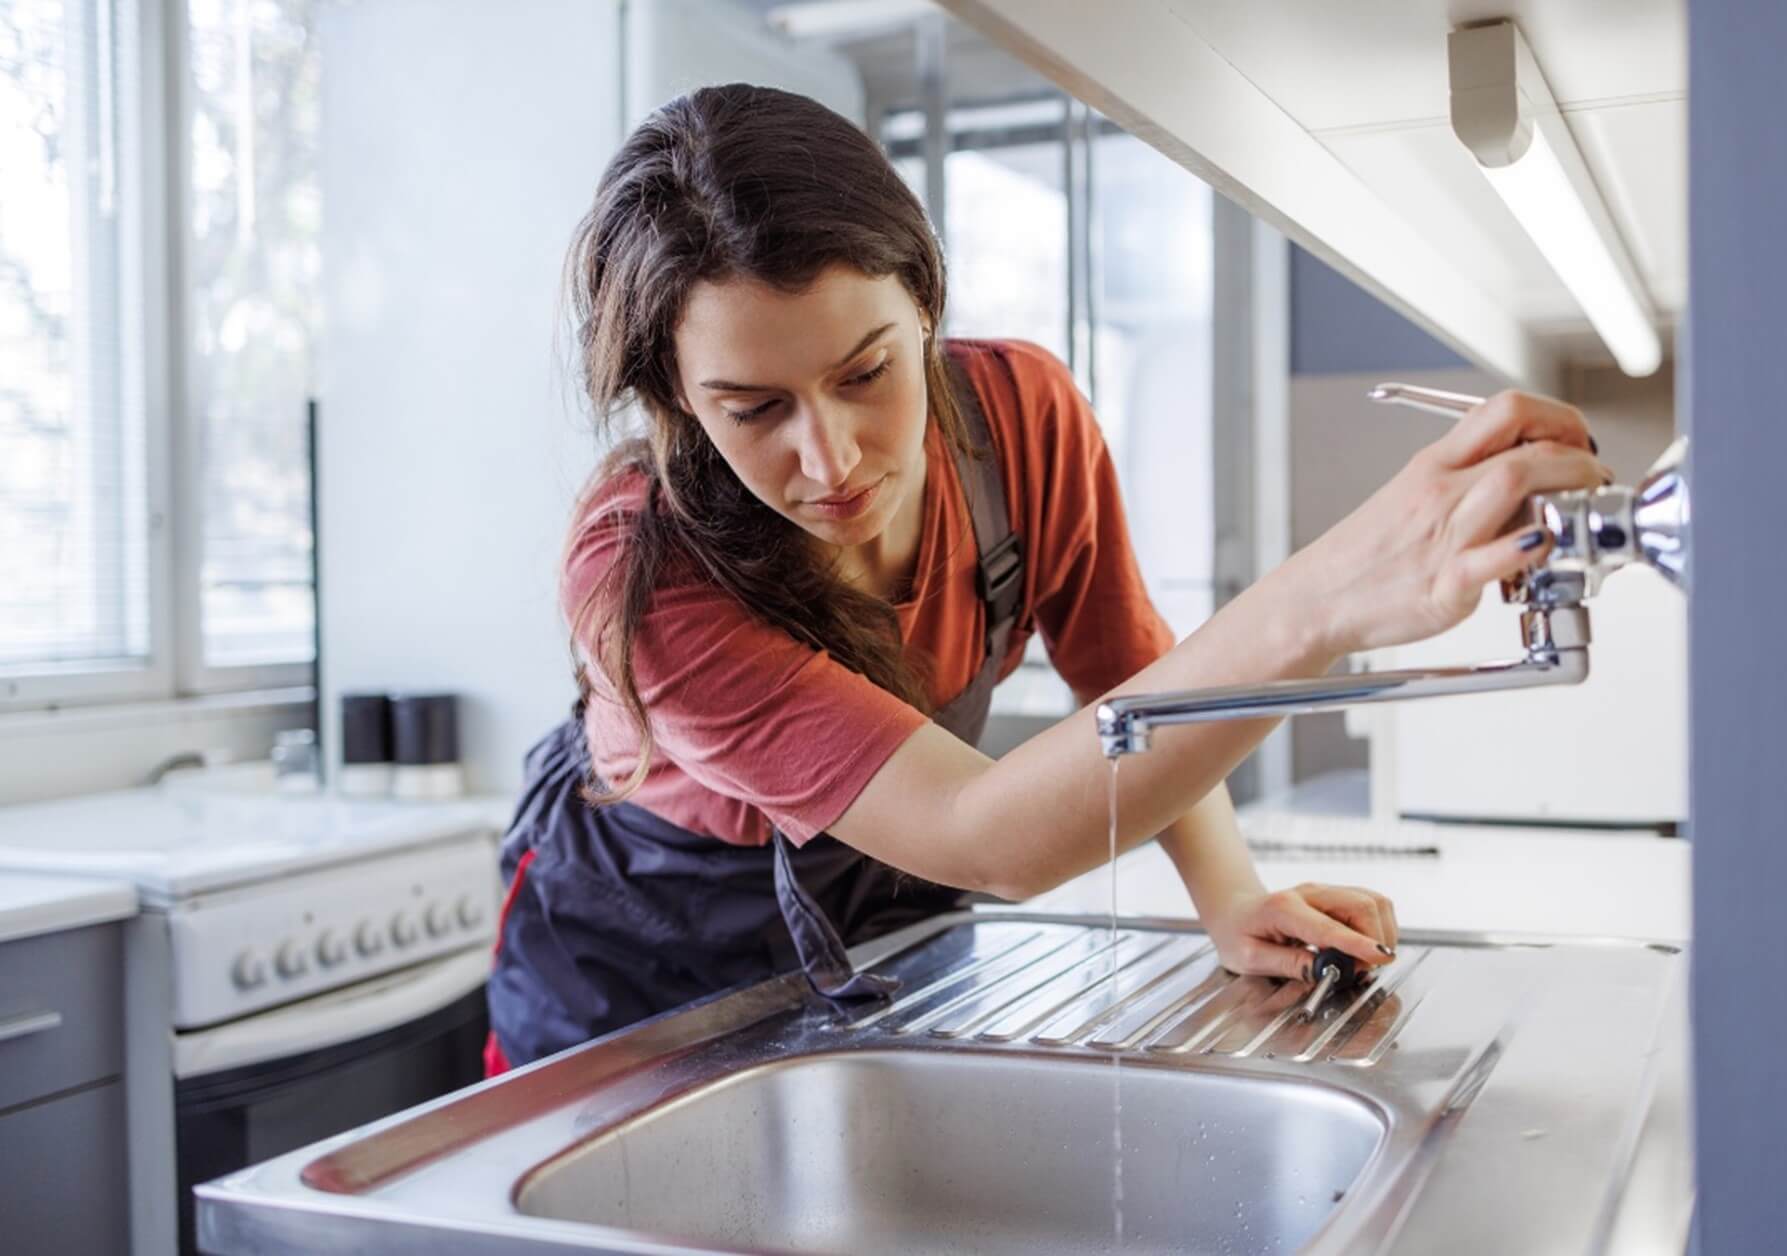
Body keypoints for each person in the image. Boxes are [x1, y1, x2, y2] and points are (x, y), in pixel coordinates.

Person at [483, 84, 1608, 1073]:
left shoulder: (1018, 419)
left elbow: (1127, 675)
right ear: (677, 400)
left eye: (866, 371)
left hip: (881, 930)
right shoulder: (642, 577)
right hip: (630, 969)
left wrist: (1228, 895)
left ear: (923, 301)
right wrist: (1323, 598)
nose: (829, 459)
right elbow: (985, 832)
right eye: (752, 408)